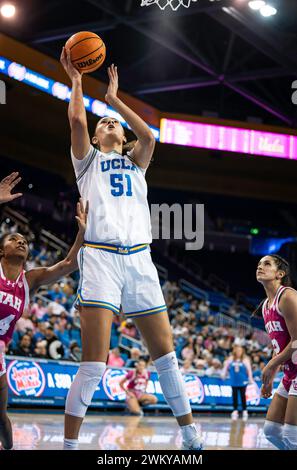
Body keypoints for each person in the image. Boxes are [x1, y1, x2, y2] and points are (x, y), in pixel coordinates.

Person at [60, 48, 203, 451]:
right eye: (102, 122)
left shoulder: (136, 162)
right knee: (93, 365)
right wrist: (77, 81)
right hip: (101, 258)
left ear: (122, 137)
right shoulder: (87, 162)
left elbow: (150, 136)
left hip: (139, 260)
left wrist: (115, 100)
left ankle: (190, 434)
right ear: (95, 137)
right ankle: (70, 445)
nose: (107, 123)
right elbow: (74, 118)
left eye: (114, 123)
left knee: (166, 357)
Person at [0, 172, 87, 450]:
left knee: (1, 416)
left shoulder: (30, 280)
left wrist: (83, 232)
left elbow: (68, 263)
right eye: (13, 239)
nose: (21, 241)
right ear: (1, 250)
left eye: (24, 240)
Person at [255, 255, 297, 450]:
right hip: (292, 370)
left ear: (280, 274)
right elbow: (280, 347)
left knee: (291, 435)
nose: (260, 267)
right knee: (271, 431)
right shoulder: (265, 306)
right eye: (259, 264)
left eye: (267, 264)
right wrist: (270, 376)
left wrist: (271, 365)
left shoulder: (288, 296)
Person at [222, 345, 254, 421]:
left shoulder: (245, 360)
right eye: (237, 350)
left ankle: (245, 410)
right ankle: (235, 410)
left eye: (240, 351)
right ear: (235, 351)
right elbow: (225, 367)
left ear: (242, 352)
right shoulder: (230, 359)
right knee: (234, 395)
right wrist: (223, 374)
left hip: (243, 380)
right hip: (234, 380)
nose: (239, 352)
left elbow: (249, 370)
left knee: (243, 395)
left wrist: (250, 378)